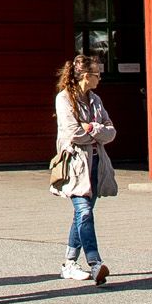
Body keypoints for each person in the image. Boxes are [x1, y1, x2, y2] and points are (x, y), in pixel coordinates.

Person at [53, 54, 116, 285]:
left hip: (97, 165)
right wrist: (95, 133)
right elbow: (72, 133)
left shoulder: (96, 100)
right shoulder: (64, 99)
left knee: (81, 215)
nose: (100, 78)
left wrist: (92, 127)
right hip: (76, 165)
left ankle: (69, 263)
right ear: (87, 76)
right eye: (98, 74)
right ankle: (95, 262)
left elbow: (111, 131)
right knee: (85, 212)